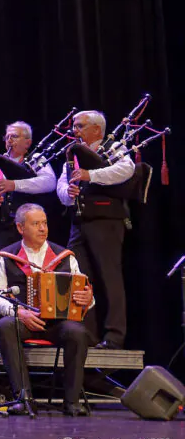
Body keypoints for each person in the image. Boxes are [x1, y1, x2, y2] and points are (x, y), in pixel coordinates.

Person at [0, 203, 94, 416]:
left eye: (44, 223)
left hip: (57, 324)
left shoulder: (64, 257)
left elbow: (87, 297)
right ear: (20, 228)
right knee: (5, 325)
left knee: (78, 333)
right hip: (24, 322)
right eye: (36, 224)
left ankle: (72, 402)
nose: (43, 228)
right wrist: (18, 313)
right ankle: (23, 398)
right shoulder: (6, 257)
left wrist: (88, 299)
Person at [56, 110, 134, 349]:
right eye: (74, 126)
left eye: (80, 126)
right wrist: (67, 195)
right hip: (79, 223)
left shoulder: (113, 147)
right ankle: (86, 334)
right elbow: (61, 184)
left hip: (106, 222)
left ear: (97, 129)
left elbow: (127, 169)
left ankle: (114, 336)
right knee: (79, 278)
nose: (74, 130)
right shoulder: (73, 153)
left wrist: (92, 175)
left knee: (109, 278)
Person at [0, 121, 56, 250]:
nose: (9, 140)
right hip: (6, 228)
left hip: (32, 227)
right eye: (7, 137)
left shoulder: (36, 158)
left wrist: (14, 185)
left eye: (14, 136)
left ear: (28, 142)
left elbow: (49, 182)